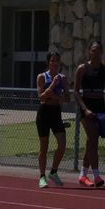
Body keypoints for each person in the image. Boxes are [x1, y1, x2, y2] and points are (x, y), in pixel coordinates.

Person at [73, 40, 105, 187]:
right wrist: (85, 109)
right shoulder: (82, 69)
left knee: (91, 140)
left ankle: (83, 175)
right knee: (93, 138)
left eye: (98, 51)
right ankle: (97, 175)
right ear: (89, 52)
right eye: (93, 50)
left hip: (100, 107)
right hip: (86, 107)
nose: (96, 53)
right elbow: (76, 92)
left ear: (102, 52)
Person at [34, 52, 69, 188]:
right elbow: (41, 97)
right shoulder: (42, 77)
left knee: (62, 145)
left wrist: (55, 97)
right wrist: (53, 85)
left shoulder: (63, 78)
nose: (55, 63)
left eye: (57, 60)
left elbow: (67, 98)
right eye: (52, 60)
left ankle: (53, 172)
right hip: (44, 113)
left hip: (56, 113)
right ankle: (42, 176)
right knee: (44, 147)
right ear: (48, 62)